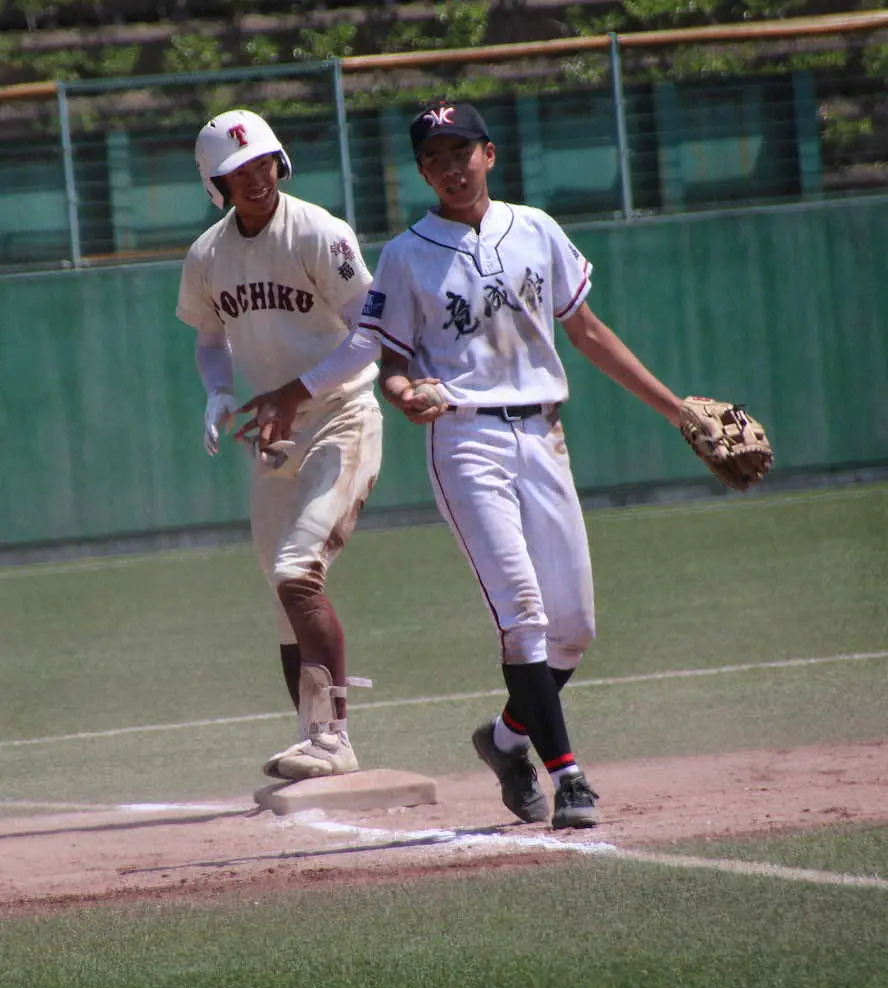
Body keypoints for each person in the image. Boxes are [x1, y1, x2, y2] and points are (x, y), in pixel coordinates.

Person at [236, 102, 686, 829]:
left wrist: (677, 410)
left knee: (574, 629)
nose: (451, 167)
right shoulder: (409, 253)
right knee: (526, 617)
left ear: (490, 154)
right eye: (434, 157)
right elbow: (376, 349)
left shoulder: (536, 230)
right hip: (466, 441)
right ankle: (568, 777)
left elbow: (589, 331)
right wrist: (311, 390)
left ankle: (507, 740)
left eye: (461, 150)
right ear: (421, 171)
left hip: (544, 438)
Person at [175, 108, 382, 783]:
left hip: (341, 419)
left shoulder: (318, 232)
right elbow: (209, 340)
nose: (255, 175)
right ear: (217, 182)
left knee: (299, 571)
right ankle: (311, 737)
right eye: (238, 169)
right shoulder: (208, 255)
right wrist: (216, 392)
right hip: (273, 439)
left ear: (279, 160)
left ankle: (334, 737)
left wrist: (299, 390)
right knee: (282, 597)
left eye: (263, 160)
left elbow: (370, 332)